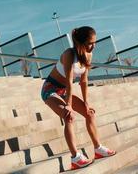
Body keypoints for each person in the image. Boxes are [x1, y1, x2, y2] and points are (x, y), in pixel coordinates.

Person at [40, 26, 116, 170]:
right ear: (80, 43)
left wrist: (86, 102)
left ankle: (98, 149)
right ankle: (75, 158)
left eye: (95, 42)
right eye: (90, 43)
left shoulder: (88, 55)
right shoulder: (69, 54)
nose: (93, 46)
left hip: (63, 90)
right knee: (68, 116)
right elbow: (69, 81)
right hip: (50, 89)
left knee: (90, 113)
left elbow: (84, 81)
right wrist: (68, 105)